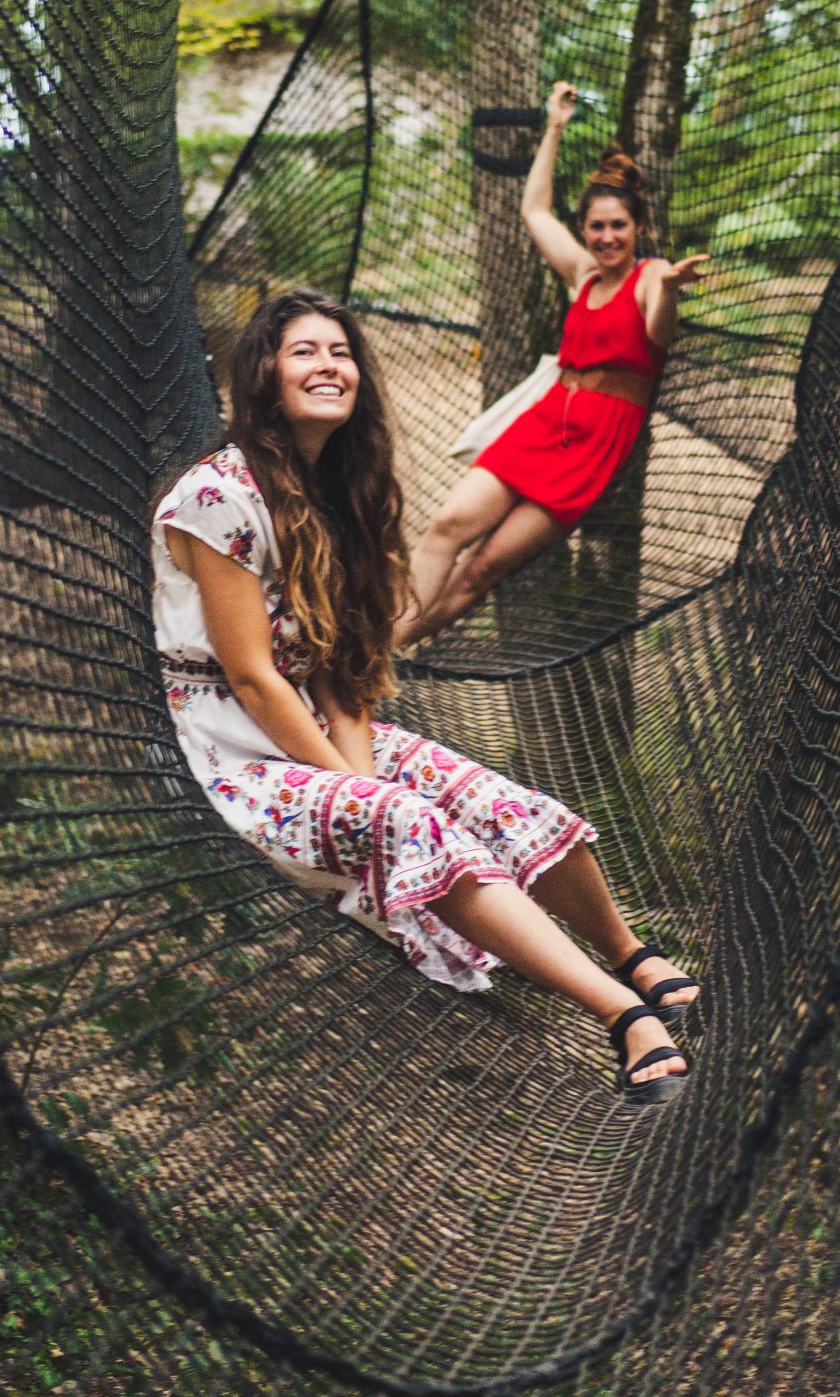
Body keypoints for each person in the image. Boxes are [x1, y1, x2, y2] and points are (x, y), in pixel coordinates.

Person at [151, 287, 701, 1106]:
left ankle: (629, 954)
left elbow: (339, 665)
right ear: (265, 372)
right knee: (404, 818)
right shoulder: (216, 497)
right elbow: (252, 677)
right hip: (226, 749)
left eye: (340, 353)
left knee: (488, 797)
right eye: (305, 351)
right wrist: (358, 786)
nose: (328, 366)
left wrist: (357, 757)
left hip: (305, 716)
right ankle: (621, 1016)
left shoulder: (336, 490)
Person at [395, 83, 710, 648]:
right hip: (543, 423)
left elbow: (660, 335)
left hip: (593, 447)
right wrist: (554, 127)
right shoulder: (585, 274)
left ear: (638, 229)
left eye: (619, 226)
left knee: (481, 571)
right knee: (446, 528)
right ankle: (375, 650)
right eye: (597, 226)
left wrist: (668, 288)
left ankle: (388, 655)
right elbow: (534, 209)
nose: (608, 236)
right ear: (586, 230)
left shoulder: (650, 279)